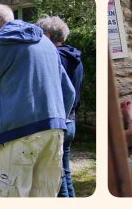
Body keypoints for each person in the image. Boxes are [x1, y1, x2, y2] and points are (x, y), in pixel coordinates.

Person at [0, 3, 75, 197]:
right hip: (55, 131)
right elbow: (69, 92)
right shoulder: (46, 43)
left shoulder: (1, 43)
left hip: (19, 134)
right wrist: (55, 122)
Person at [38, 16, 84, 198]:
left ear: (47, 35)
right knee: (64, 173)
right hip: (70, 119)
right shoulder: (75, 57)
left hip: (58, 121)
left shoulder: (53, 57)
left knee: (56, 178)